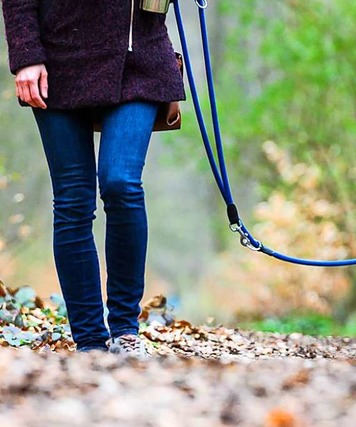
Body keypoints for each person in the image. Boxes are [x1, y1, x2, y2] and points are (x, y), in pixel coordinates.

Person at [1, 0, 185, 357]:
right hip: (57, 59)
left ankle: (125, 331)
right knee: (73, 199)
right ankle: (89, 341)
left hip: (138, 59)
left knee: (121, 182)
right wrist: (25, 54)